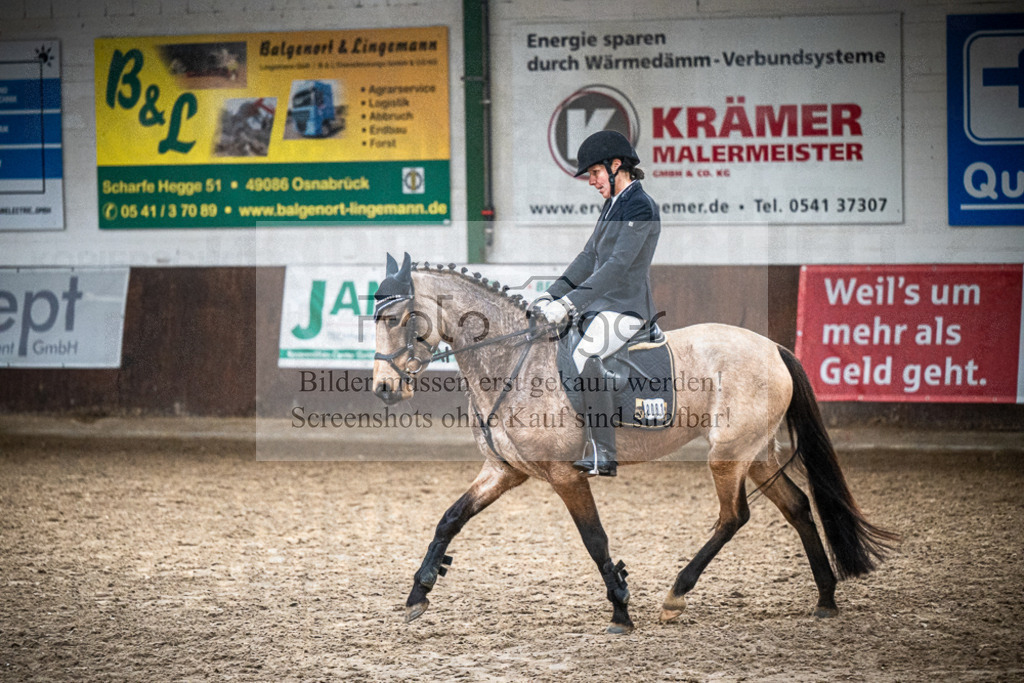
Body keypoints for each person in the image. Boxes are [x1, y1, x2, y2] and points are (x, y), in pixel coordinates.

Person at [533, 130, 661, 477]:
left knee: (586, 354)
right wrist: (553, 293)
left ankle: (603, 450)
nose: (591, 181)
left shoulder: (640, 205)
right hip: (601, 306)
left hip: (627, 308)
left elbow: (617, 267)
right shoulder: (613, 205)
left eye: (594, 173)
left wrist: (570, 303)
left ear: (616, 165)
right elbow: (589, 256)